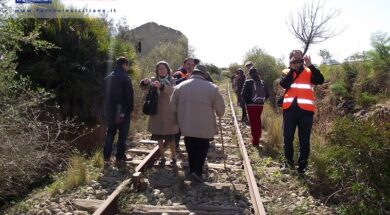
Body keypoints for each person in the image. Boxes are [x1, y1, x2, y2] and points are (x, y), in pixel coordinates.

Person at [171, 65, 225, 182]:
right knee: (202, 147)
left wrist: (176, 121)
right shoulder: (212, 87)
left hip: (186, 124)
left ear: (192, 73)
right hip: (204, 125)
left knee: (190, 146)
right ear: (204, 75)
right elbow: (220, 109)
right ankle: (197, 171)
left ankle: (192, 170)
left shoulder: (179, 87)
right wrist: (220, 113)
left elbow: (173, 106)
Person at [279, 49, 324, 174]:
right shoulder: (287, 72)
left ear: (303, 59)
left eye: (300, 59)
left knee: (304, 139)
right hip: (289, 110)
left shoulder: (309, 71)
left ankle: (302, 166)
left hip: (306, 111)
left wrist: (311, 66)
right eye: (295, 59)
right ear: (291, 59)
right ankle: (288, 163)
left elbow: (320, 80)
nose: (298, 61)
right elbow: (284, 84)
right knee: (288, 137)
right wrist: (292, 69)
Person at [140, 61, 179, 165]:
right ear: (157, 71)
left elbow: (172, 91)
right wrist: (144, 83)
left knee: (171, 138)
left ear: (167, 70)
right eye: (159, 69)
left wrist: (161, 86)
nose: (161, 70)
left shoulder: (172, 80)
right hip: (156, 113)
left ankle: (174, 157)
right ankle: (162, 157)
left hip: (169, 113)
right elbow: (145, 91)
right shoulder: (153, 80)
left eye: (163, 68)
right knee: (159, 137)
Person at [103, 57, 134, 164]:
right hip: (122, 110)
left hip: (110, 110)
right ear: (125, 65)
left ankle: (106, 157)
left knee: (110, 132)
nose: (128, 67)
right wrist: (130, 109)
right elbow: (129, 96)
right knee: (122, 134)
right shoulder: (126, 78)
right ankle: (120, 157)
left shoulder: (108, 78)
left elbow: (104, 94)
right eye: (127, 65)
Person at [241, 68, 269, 146]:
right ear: (257, 74)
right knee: (258, 120)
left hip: (250, 105)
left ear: (250, 74)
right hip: (260, 105)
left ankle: (255, 142)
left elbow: (243, 94)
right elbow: (267, 94)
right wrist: (261, 101)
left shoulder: (248, 82)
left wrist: (247, 102)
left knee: (253, 122)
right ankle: (258, 136)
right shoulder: (262, 82)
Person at [173, 57, 195, 150]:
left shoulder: (194, 74)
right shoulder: (178, 73)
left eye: (192, 65)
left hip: (189, 103)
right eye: (188, 64)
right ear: (184, 64)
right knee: (178, 125)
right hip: (179, 103)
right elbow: (173, 85)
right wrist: (185, 79)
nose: (190, 66)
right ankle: (176, 144)